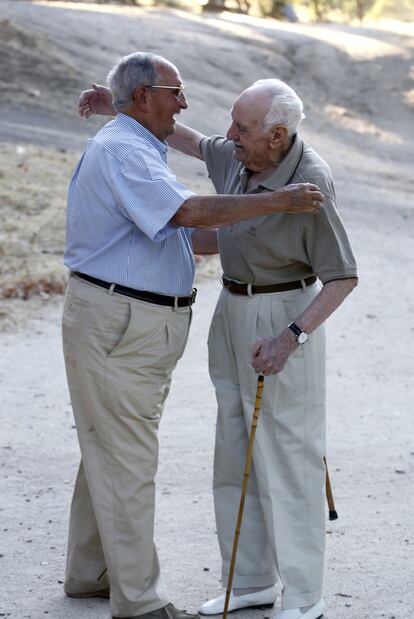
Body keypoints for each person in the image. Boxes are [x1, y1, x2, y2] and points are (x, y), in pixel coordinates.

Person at [78, 74, 357, 619]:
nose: (228, 135)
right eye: (232, 122)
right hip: (231, 308)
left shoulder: (310, 183)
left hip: (283, 315)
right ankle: (250, 579)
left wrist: (291, 338)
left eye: (242, 127)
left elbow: (343, 277)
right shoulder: (237, 154)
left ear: (277, 136)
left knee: (291, 456)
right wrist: (113, 106)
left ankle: (305, 595)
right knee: (234, 452)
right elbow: (187, 138)